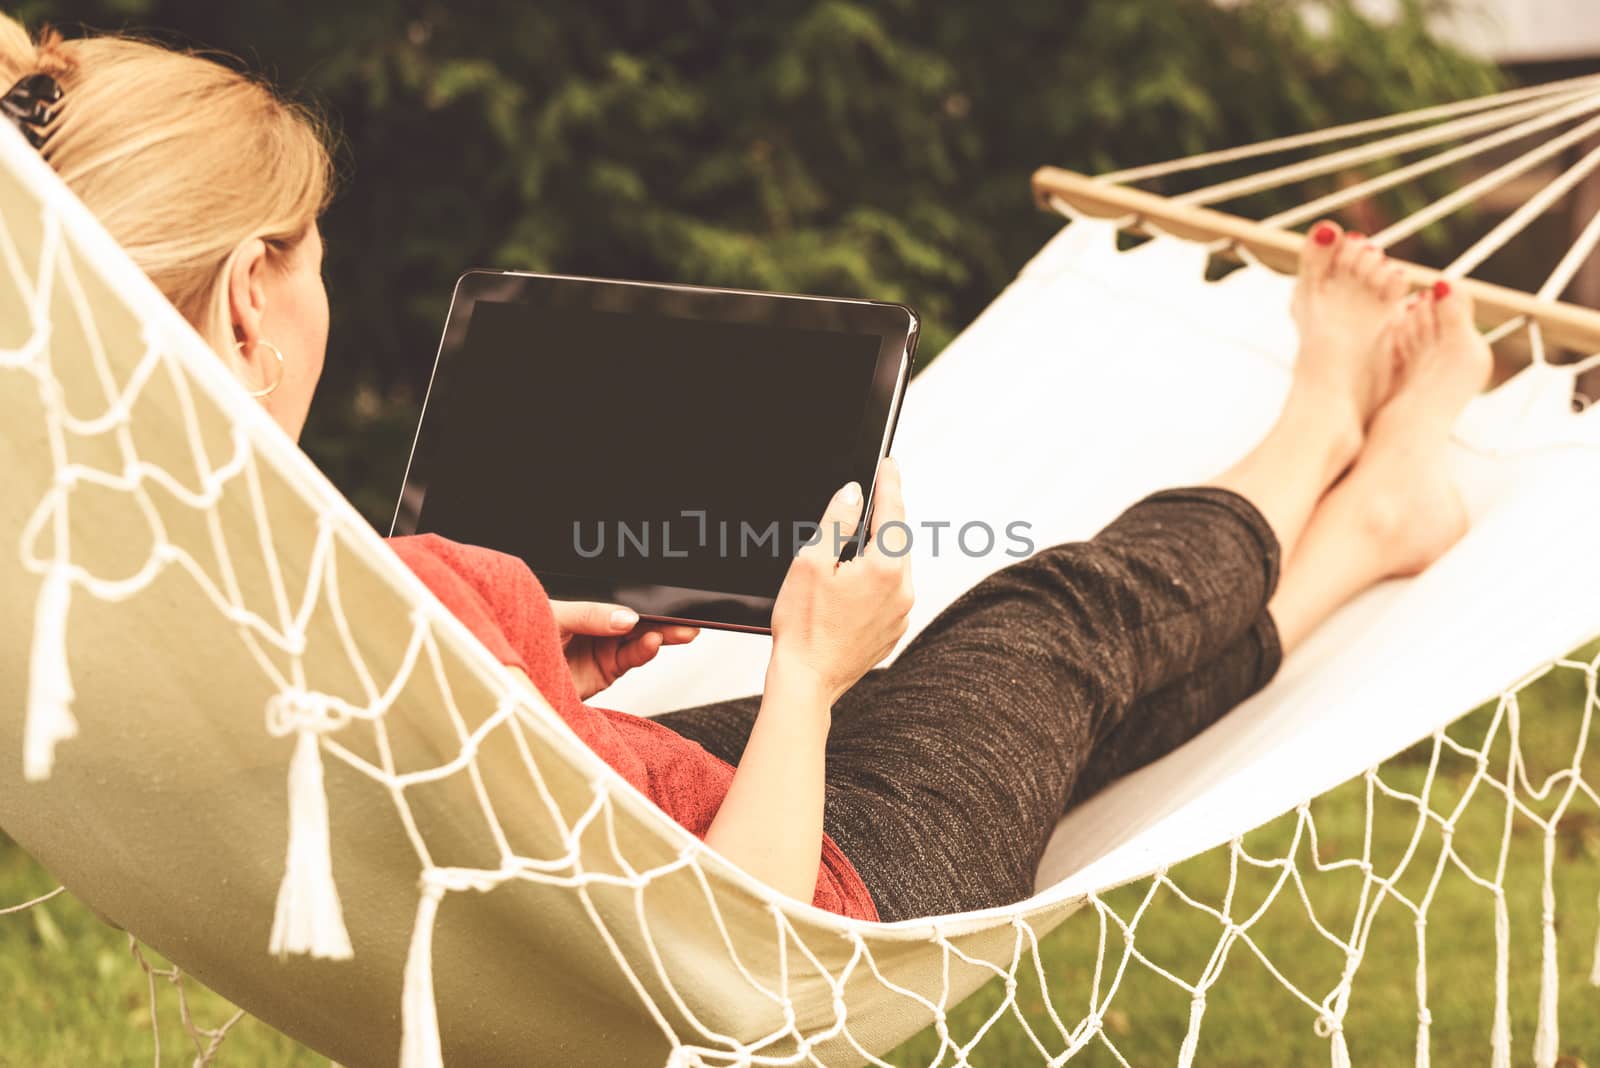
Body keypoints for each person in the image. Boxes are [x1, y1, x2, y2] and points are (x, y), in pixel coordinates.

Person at [1, 19, 1490, 925]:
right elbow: (760, 955)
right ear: (253, 295)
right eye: (315, 253)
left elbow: (412, 777)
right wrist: (808, 669)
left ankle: (1363, 532)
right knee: (1057, 625)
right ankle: (1322, 414)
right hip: (812, 889)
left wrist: (539, 675)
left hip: (606, 850)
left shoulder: (121, 582)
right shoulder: (353, 591)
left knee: (1022, 708)